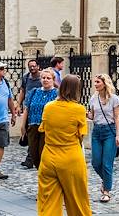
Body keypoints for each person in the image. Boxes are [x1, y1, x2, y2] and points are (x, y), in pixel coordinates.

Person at [37, 74, 91, 216]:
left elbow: (43, 129)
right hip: (71, 157)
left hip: (48, 156)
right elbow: (81, 135)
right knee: (77, 201)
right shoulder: (78, 109)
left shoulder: (48, 107)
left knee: (48, 201)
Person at [88, 73, 119, 203]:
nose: (95, 84)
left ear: (104, 83)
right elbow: (92, 116)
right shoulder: (93, 99)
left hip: (110, 131)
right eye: (95, 82)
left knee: (107, 163)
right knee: (96, 163)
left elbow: (117, 118)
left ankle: (106, 191)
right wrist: (87, 115)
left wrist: (118, 135)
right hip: (97, 131)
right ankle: (107, 180)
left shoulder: (114, 99)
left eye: (98, 82)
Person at [21, 68, 59, 169]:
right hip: (33, 126)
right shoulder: (34, 92)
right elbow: (27, 109)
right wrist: (23, 126)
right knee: (33, 153)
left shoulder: (56, 94)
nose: (45, 80)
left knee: (43, 152)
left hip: (47, 128)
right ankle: (40, 170)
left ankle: (45, 173)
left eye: (48, 78)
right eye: (43, 78)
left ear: (53, 80)